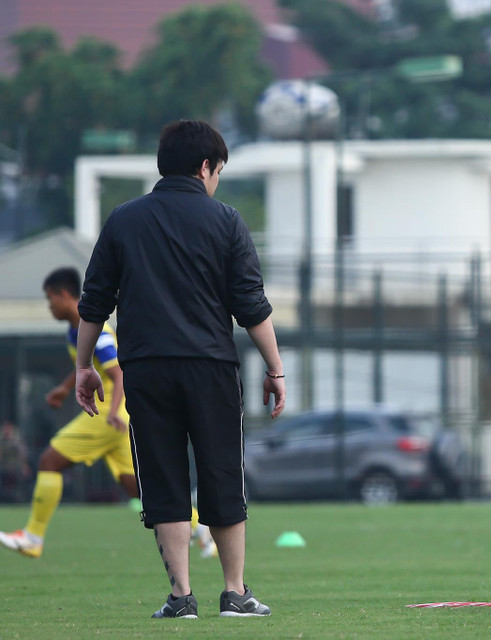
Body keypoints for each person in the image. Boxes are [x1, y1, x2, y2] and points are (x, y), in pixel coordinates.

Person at [74, 120, 286, 619]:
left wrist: (85, 366)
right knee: (222, 474)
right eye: (218, 171)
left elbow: (94, 301)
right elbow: (250, 304)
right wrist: (275, 369)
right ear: (205, 167)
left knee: (163, 478)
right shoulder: (226, 221)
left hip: (146, 368)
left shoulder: (123, 220)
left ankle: (180, 598)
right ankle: (234, 593)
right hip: (210, 367)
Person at [0, 268, 138, 557]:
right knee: (138, 489)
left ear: (64, 295)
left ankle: (33, 537)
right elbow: (86, 366)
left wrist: (114, 412)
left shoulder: (97, 330)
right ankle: (202, 529)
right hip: (115, 416)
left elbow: (119, 373)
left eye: (50, 298)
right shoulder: (75, 330)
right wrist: (64, 388)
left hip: (107, 414)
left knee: (49, 461)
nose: (49, 306)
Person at [0, 420, 31, 503]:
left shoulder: (17, 438)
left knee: (22, 476)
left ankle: (20, 498)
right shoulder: (1, 438)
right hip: (3, 465)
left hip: (16, 465)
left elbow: (23, 453)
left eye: (8, 428)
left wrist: (24, 466)